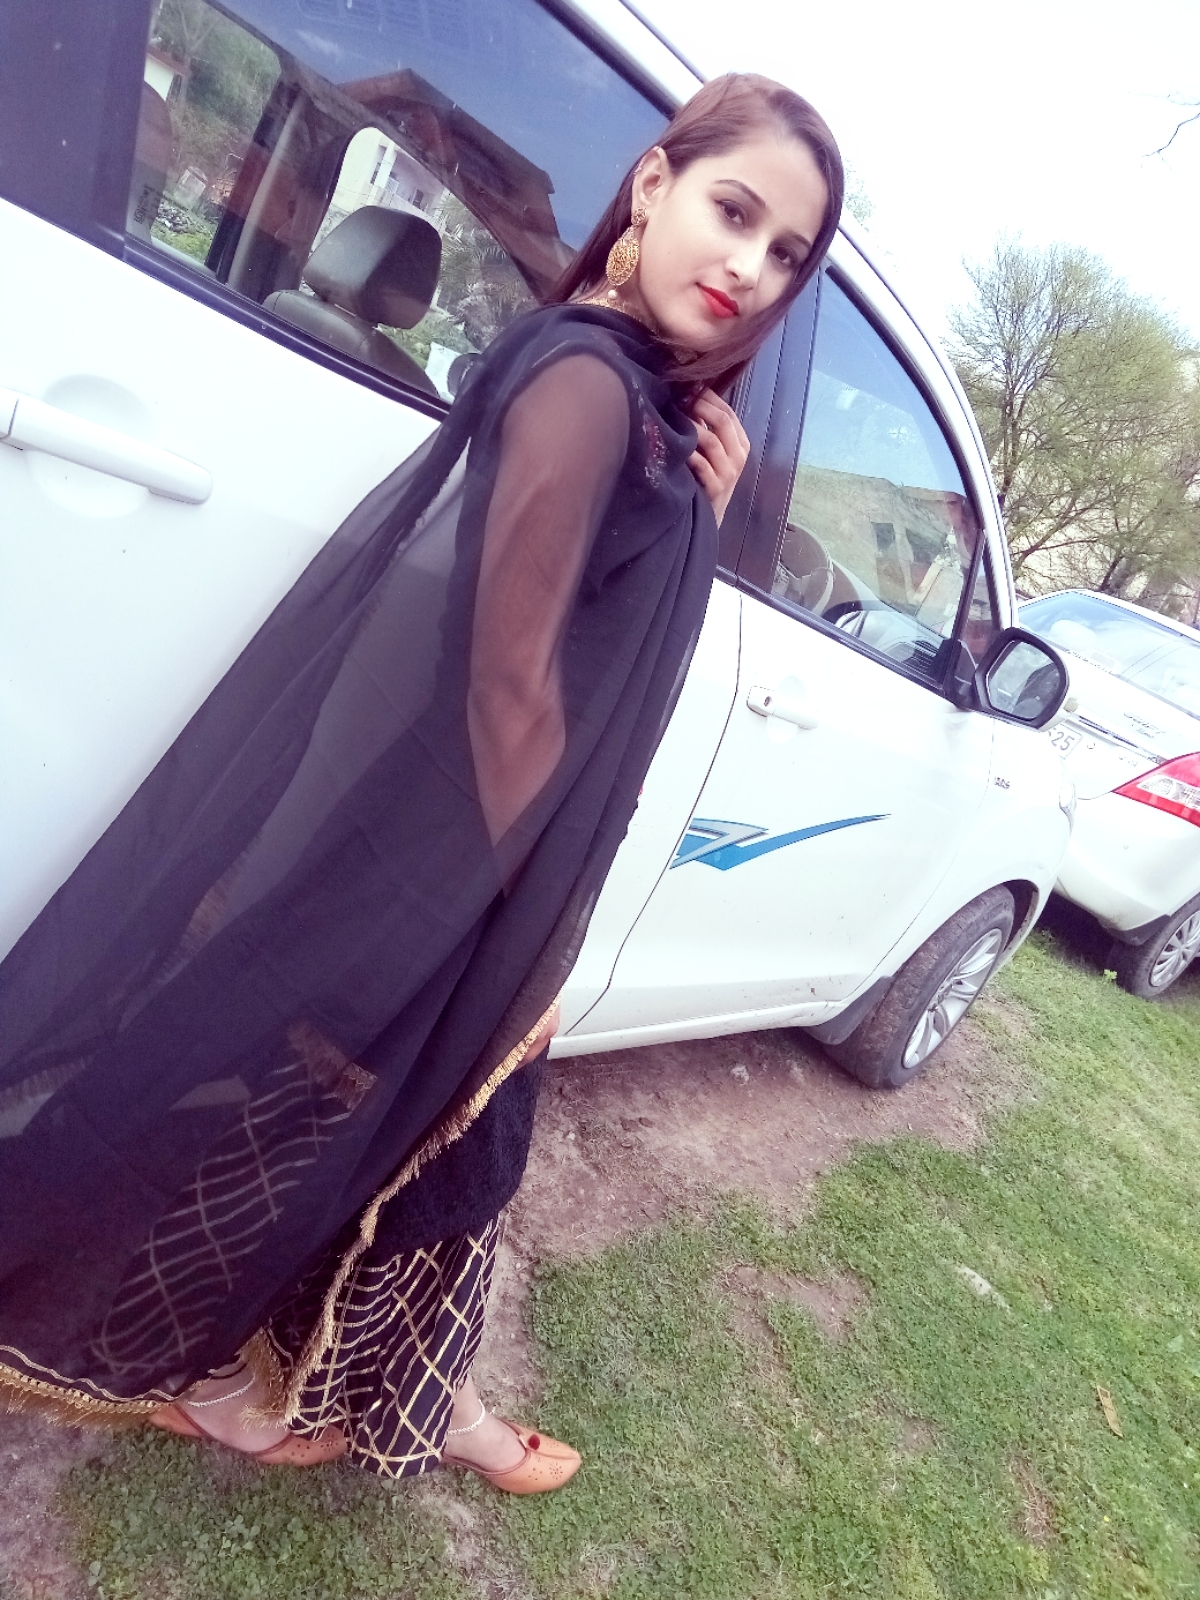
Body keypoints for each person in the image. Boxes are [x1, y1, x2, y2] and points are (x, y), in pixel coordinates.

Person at [0, 73, 841, 1492]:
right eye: (734, 210)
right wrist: (523, 936)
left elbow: (599, 600)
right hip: (453, 859)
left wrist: (702, 496)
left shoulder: (644, 404)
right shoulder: (586, 385)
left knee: (399, 1130)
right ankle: (256, 1367)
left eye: (785, 253)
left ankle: (388, 1392)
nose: (750, 266)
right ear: (653, 185)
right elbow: (511, 681)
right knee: (308, 1103)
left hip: (464, 852)